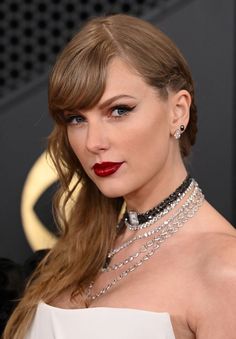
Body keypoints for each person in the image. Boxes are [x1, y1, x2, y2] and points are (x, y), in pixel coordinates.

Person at [3, 14, 236, 339]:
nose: (94, 142)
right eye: (76, 118)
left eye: (119, 110)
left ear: (178, 111)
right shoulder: (82, 249)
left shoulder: (225, 271)